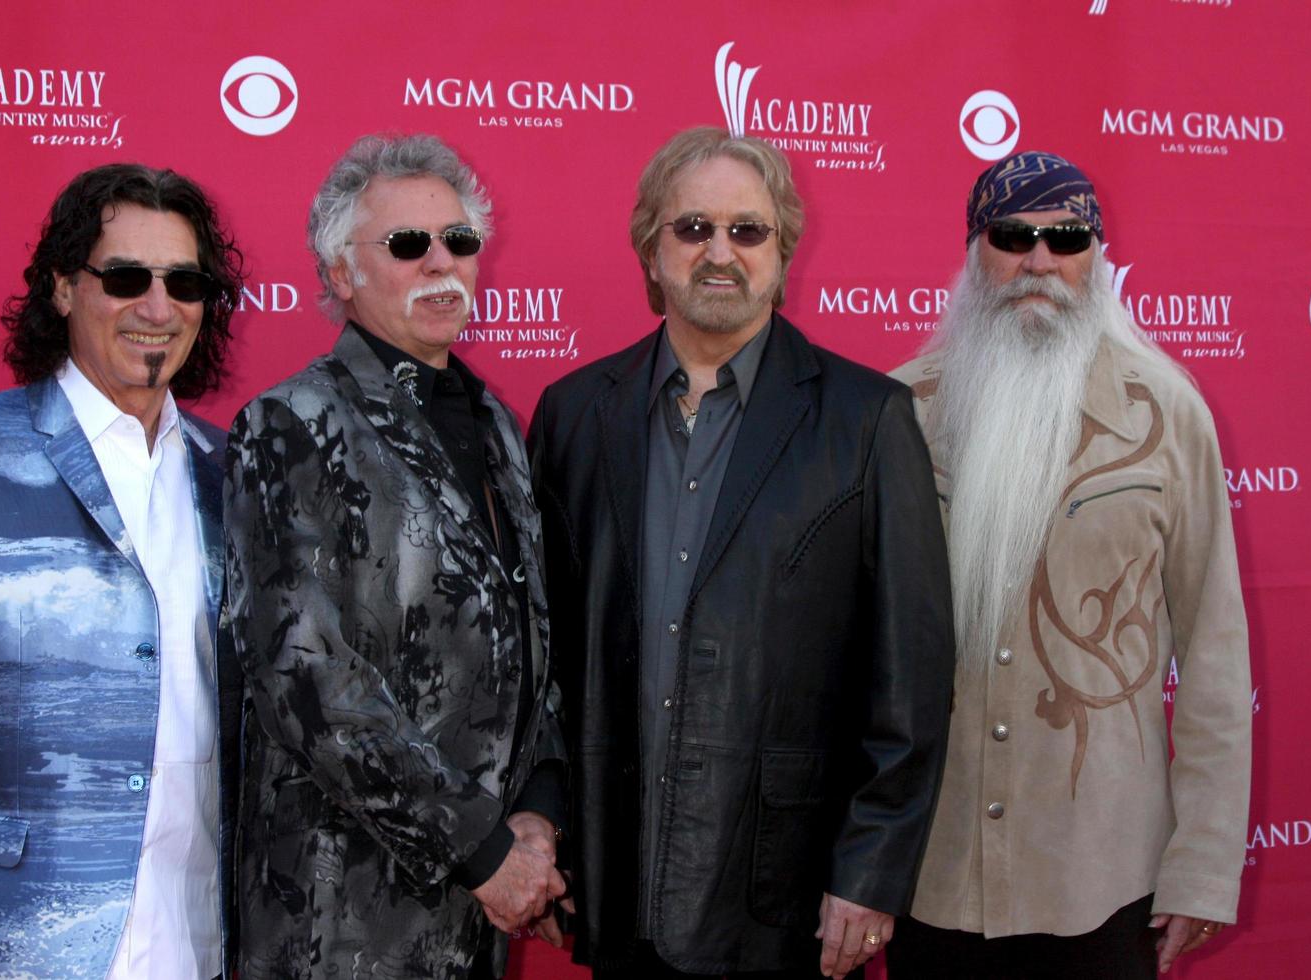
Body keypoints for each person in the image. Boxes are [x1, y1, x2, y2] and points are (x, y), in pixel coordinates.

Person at [528, 126, 955, 980]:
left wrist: (869, 872)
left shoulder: (866, 420)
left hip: (784, 897)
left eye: (747, 230)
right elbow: (542, 657)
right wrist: (547, 830)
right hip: (615, 887)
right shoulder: (575, 414)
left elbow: (910, 677)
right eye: (692, 229)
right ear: (651, 251)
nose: (719, 252)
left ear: (782, 251)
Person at [0, 163, 246, 978]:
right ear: (64, 289)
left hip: (197, 933)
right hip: (17, 944)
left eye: (186, 282)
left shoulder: (229, 471)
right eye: (127, 277)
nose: (158, 308)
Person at [885, 150, 1251, 979]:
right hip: (932, 874)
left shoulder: (1167, 415)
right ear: (977, 251)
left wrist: (1201, 865)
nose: (1040, 262)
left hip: (1106, 877)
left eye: (1067, 238)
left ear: (1098, 256)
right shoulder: (899, 413)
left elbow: (1217, 655)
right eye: (1014, 236)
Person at [224, 133, 567, 980]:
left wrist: (538, 815)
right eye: (408, 245)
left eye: (459, 241)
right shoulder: (291, 423)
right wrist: (481, 847)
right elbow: (305, 675)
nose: (440, 261)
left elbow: (532, 638)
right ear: (341, 274)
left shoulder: (496, 422)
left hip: (480, 908)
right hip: (339, 912)